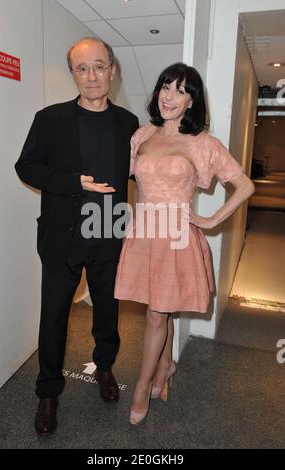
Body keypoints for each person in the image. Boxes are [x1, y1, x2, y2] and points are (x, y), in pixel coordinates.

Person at [114, 62, 255, 425]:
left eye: (180, 90)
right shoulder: (142, 136)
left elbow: (245, 186)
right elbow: (137, 183)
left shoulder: (203, 144)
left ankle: (143, 387)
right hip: (145, 234)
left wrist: (210, 220)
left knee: (156, 314)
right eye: (165, 86)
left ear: (192, 102)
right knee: (162, 307)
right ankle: (167, 366)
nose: (169, 96)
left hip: (177, 238)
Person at [15, 37, 139, 436]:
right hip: (62, 238)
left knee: (107, 311)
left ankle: (104, 368)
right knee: (53, 317)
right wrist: (72, 182)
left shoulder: (128, 123)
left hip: (108, 234)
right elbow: (27, 166)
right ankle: (48, 393)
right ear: (73, 74)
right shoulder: (50, 118)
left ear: (112, 71)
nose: (92, 76)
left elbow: (138, 173)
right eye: (82, 68)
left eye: (99, 66)